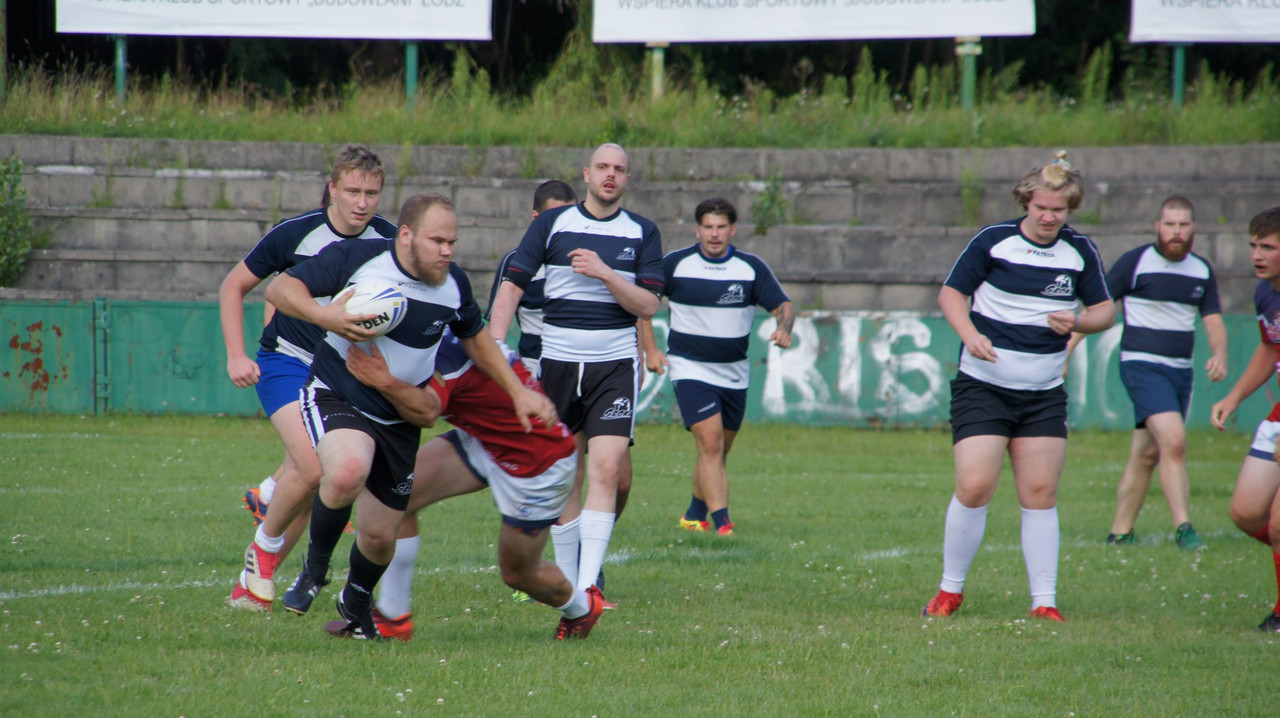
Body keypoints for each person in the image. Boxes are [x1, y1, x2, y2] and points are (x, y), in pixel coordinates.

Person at [260, 193, 558, 639]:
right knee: (346, 472)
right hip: (338, 393)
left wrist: (517, 391)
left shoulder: (452, 284)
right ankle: (314, 570)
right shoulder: (358, 258)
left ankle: (356, 602)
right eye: (437, 240)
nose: (447, 250)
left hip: (398, 419)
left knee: (380, 537)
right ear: (406, 235)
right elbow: (280, 289)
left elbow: (476, 340)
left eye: (452, 242)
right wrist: (327, 316)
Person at [923, 152, 1115, 622]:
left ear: (1070, 208)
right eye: (1042, 207)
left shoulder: (1079, 250)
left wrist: (1080, 320)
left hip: (1044, 391)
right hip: (983, 386)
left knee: (1040, 492)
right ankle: (949, 592)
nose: (1050, 217)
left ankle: (1043, 602)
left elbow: (1105, 312)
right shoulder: (994, 241)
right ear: (1026, 201)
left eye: (1060, 210)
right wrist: (970, 336)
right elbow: (951, 295)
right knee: (974, 485)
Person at [487, 143, 663, 601]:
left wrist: (607, 273)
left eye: (619, 169)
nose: (610, 175)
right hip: (558, 364)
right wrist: (495, 347)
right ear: (587, 174)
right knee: (566, 474)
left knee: (606, 469)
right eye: (603, 167)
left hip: (615, 367)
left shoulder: (642, 231)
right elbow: (510, 288)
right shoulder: (552, 224)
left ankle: (589, 584)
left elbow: (648, 304)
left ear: (627, 179)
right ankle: (573, 593)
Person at [223, 146, 395, 611]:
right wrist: (237, 354)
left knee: (315, 479)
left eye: (372, 193)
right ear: (332, 190)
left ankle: (251, 579)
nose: (362, 202)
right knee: (313, 468)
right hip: (287, 361)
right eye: (353, 191)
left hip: (341, 374)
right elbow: (233, 286)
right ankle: (261, 551)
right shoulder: (296, 234)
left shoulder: (390, 242)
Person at [350, 330, 604, 641]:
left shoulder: (443, 350)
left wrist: (383, 380)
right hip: (483, 438)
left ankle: (582, 607)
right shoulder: (441, 326)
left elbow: (425, 411)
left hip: (536, 459)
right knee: (400, 494)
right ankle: (393, 618)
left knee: (518, 574)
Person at [639, 197, 793, 537]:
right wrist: (650, 349)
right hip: (689, 368)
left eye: (721, 227)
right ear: (697, 230)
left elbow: (782, 304)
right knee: (709, 443)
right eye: (708, 226)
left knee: (718, 451)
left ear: (732, 230)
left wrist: (784, 327)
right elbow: (642, 305)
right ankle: (724, 524)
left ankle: (694, 515)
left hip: (735, 372)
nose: (714, 233)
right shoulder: (675, 264)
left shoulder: (750, 267)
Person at [1100, 196, 1227, 549]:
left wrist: (1220, 352)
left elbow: (1213, 318)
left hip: (1180, 373)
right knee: (1173, 440)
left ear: (1194, 229)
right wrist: (1067, 350)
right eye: (1169, 224)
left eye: (1183, 225)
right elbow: (1098, 307)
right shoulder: (1135, 262)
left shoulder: (1201, 270)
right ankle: (1184, 528)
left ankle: (1120, 533)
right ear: (1157, 226)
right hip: (1141, 366)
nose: (1176, 231)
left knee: (1147, 453)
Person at [1210, 206, 1280, 632]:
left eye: (1268, 247)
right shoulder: (1266, 294)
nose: (1257, 254)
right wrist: (1233, 397)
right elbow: (1271, 347)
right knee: (1247, 514)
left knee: (1278, 525)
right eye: (1254, 245)